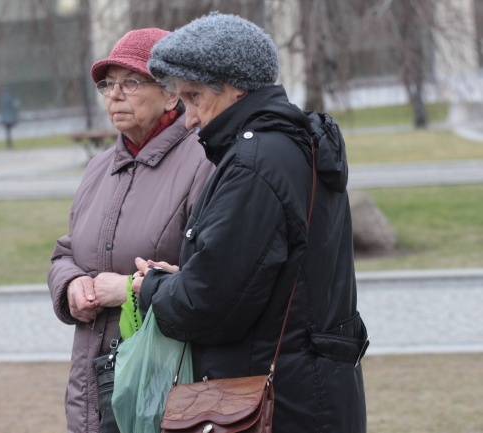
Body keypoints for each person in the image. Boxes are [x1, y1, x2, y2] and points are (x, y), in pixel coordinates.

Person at [133, 13, 368, 432]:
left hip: (276, 405)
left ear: (234, 87)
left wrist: (151, 287)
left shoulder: (255, 164)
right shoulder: (295, 145)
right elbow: (258, 278)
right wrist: (185, 278)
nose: (189, 119)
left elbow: (207, 306)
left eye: (194, 97)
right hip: (313, 395)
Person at [47, 28, 215, 433]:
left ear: (172, 93)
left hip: (164, 380)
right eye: (108, 84)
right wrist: (71, 285)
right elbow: (67, 252)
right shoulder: (99, 168)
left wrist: (126, 287)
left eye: (132, 83)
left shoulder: (205, 160)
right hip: (93, 381)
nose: (114, 95)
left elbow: (211, 274)